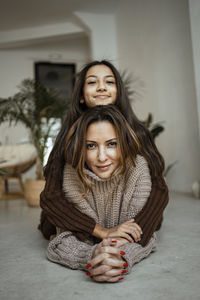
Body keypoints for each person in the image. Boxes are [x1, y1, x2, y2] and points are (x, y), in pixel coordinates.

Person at [39, 60, 168, 248]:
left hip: (126, 217)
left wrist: (132, 232)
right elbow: (51, 196)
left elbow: (159, 189)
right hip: (81, 218)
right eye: (92, 82)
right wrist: (101, 231)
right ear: (81, 96)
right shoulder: (67, 136)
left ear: (118, 92)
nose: (101, 87)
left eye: (109, 82)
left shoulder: (137, 132)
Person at [47, 105, 157, 282]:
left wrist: (119, 257)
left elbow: (141, 233)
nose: (102, 157)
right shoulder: (71, 173)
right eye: (91, 146)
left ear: (124, 142)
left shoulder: (137, 169)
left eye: (112, 144)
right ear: (80, 148)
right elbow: (63, 238)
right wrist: (92, 256)